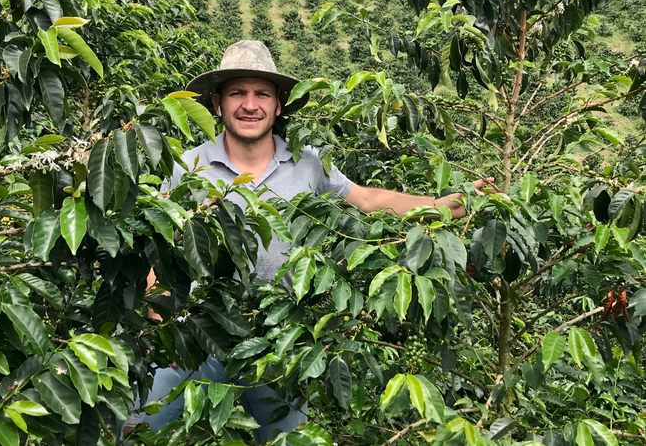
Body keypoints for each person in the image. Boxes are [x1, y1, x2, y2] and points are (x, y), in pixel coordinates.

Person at [131, 40, 490, 442]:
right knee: (146, 429)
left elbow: (369, 200)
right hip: (196, 335)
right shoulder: (188, 166)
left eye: (261, 94)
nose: (250, 105)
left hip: (280, 340)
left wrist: (443, 206)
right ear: (217, 103)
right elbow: (160, 246)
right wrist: (161, 322)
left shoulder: (308, 163)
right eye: (237, 93)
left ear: (279, 105)